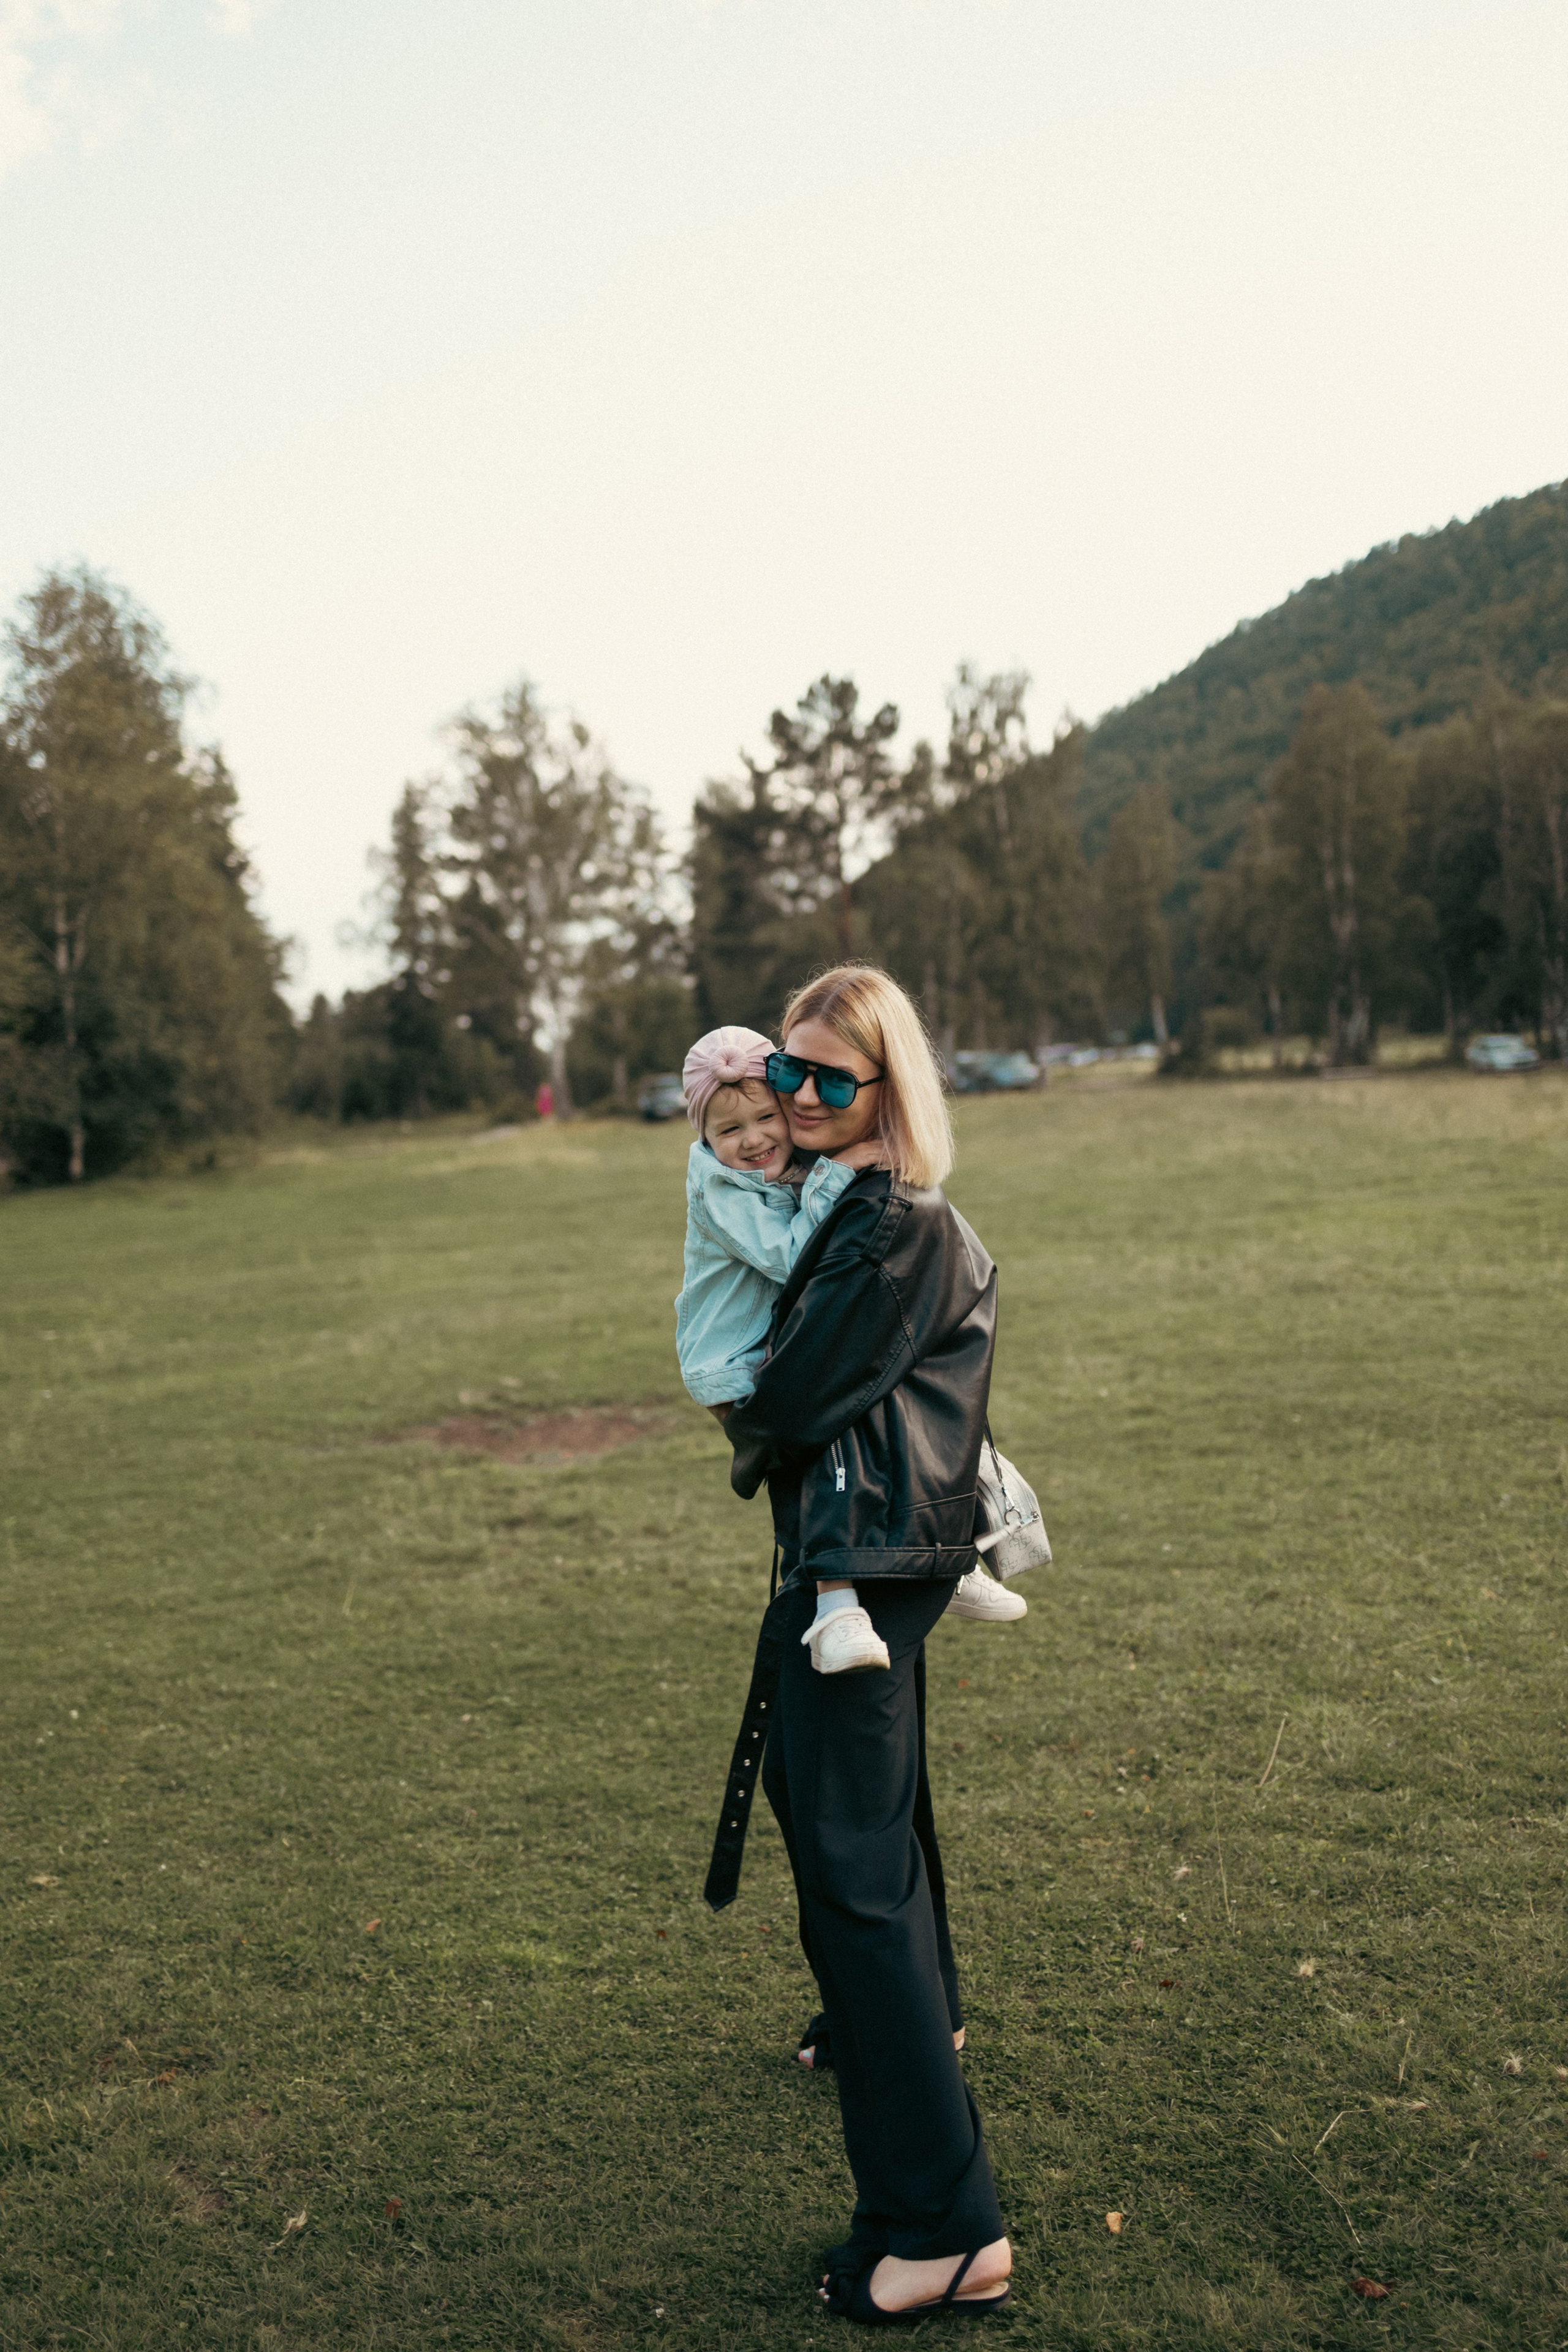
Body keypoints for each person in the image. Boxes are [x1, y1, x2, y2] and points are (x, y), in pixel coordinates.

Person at [707, 965, 1014, 2323]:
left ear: (889, 1091)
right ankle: (910, 2022)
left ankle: (940, 2226)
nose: (799, 1098)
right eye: (786, 1069)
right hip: (880, 1549)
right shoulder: (852, 1204)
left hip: (872, 1552)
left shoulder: (890, 1217)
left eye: (831, 1080)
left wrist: (748, 1412)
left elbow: (788, 1390)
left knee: (846, 1850)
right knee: (862, 1820)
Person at [675, 1023, 887, 1673]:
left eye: (766, 1117)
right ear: (704, 1141)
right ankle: (836, 1607)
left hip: (759, 1346)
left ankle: (918, 1553)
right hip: (732, 1365)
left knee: (855, 1432)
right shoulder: (716, 1188)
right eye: (729, 1131)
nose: (754, 1140)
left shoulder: (770, 1169)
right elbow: (792, 1257)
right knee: (817, 1458)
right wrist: (838, 1171)